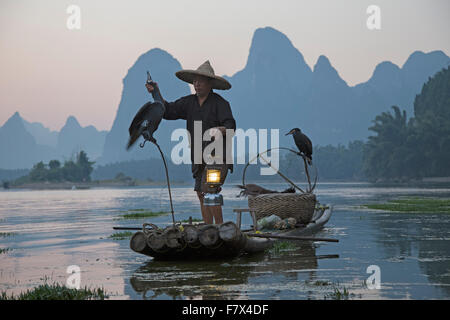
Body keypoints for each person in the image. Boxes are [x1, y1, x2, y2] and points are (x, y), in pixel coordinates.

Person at [145, 60, 236, 224]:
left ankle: (221, 228)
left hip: (217, 158)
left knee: (210, 189)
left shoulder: (220, 103)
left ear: (210, 83)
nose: (197, 84)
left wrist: (220, 130)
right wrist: (155, 93)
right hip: (198, 158)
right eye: (195, 81)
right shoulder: (189, 102)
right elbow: (168, 110)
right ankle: (208, 229)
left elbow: (231, 125)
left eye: (201, 81)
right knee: (201, 192)